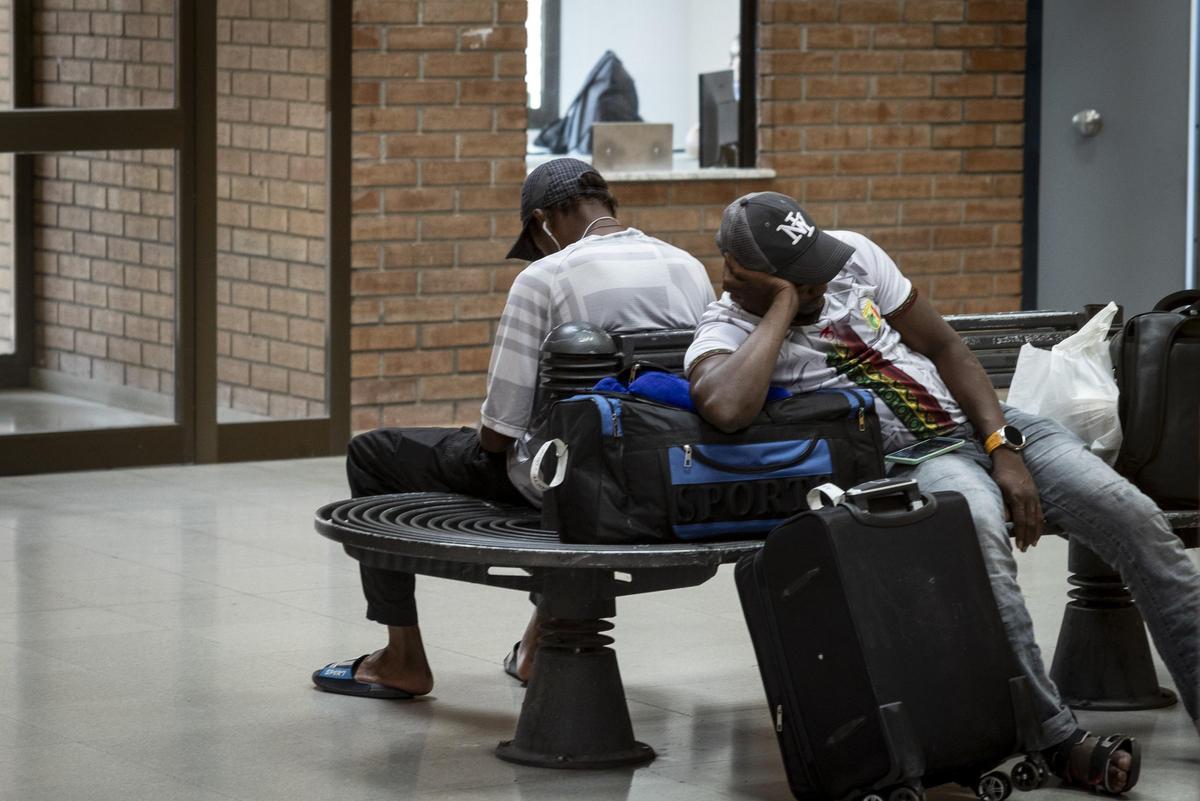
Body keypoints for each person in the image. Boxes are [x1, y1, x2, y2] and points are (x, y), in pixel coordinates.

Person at [685, 191, 1199, 795]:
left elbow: (945, 346)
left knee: (1135, 517)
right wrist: (780, 306)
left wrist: (1001, 446)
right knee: (978, 539)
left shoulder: (853, 259)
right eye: (802, 279)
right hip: (913, 462)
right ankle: (1054, 737)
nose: (821, 282)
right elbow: (725, 406)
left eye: (818, 266)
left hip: (994, 429)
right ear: (748, 275)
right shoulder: (725, 331)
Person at [312, 158, 716, 698]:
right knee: (572, 451)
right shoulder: (688, 266)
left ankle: (401, 659)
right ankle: (534, 647)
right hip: (663, 476)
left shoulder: (546, 276)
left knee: (373, 452)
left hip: (571, 485)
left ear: (542, 221)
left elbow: (498, 432)